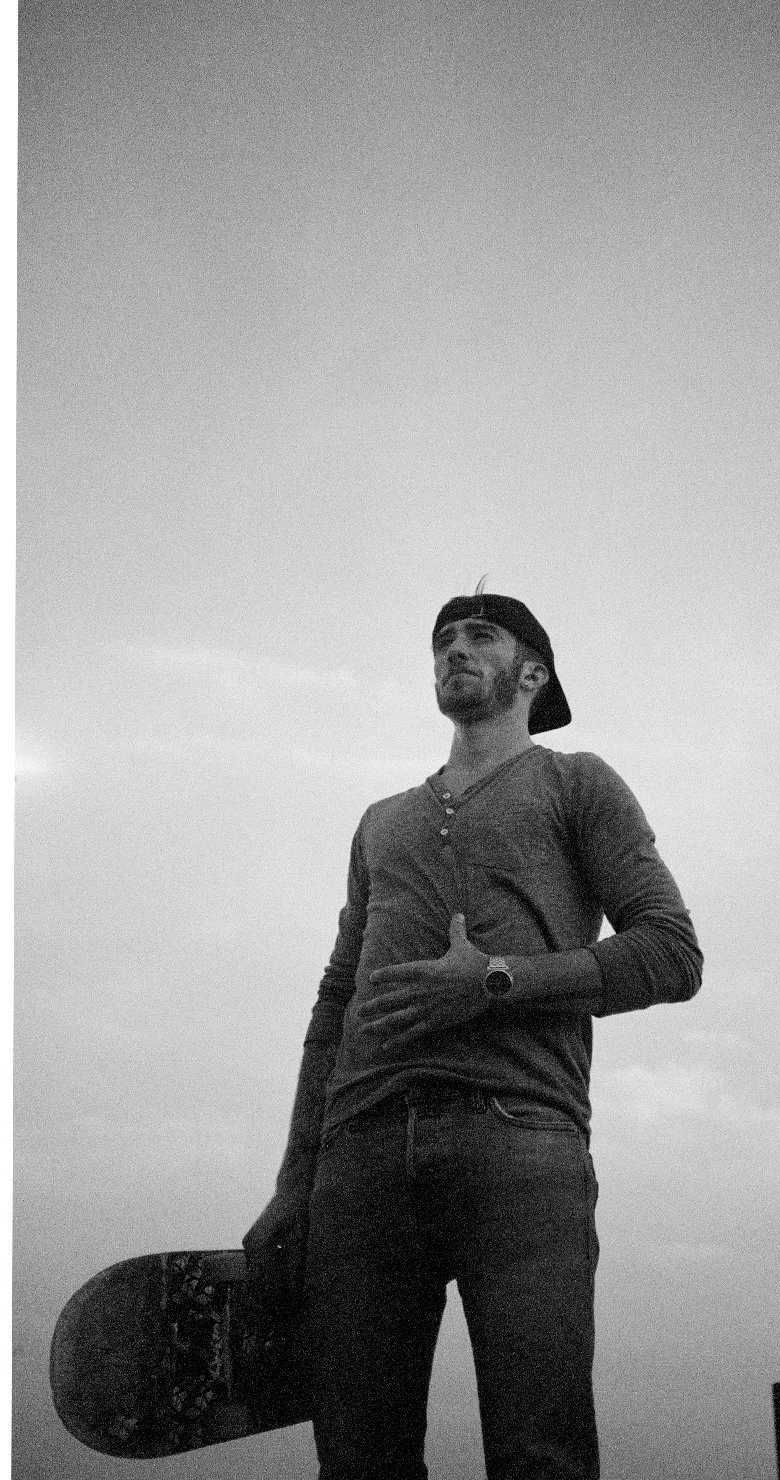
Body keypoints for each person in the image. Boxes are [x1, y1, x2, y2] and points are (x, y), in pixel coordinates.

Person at [243, 589, 702, 1479]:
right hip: (359, 1157)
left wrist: (493, 981)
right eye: (442, 639)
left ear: (532, 672)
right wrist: (295, 1180)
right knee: (357, 1460)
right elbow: (335, 1003)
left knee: (540, 1453)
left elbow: (671, 952)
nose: (455, 648)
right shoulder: (382, 820)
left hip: (520, 1141)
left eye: (480, 636)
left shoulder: (578, 784)